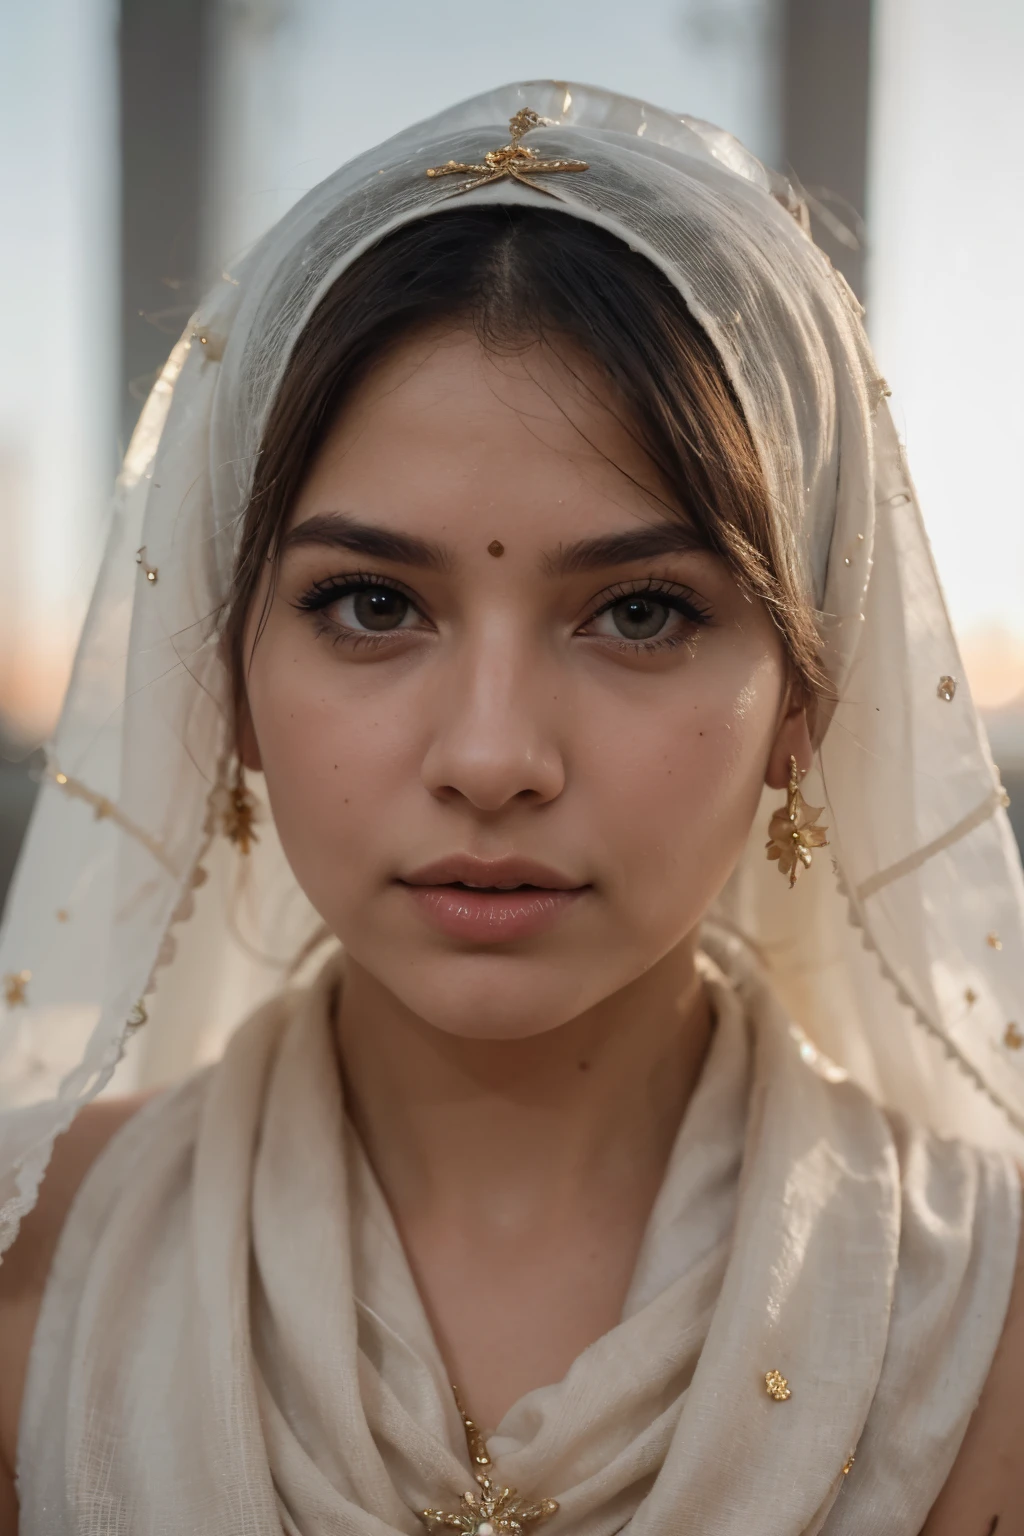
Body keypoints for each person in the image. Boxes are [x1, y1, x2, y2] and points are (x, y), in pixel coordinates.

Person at [0, 80, 1022, 1535]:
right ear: (223, 677)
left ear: (805, 697)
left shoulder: (984, 1317)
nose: (492, 757)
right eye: (371, 604)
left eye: (643, 613)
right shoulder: (32, 1268)